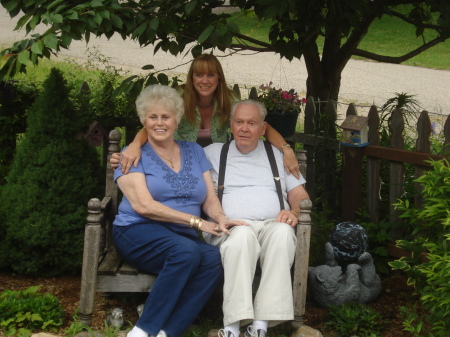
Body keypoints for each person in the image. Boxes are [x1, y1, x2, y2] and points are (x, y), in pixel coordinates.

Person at [113, 84, 247, 337]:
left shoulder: (194, 151)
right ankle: (142, 331)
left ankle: (167, 332)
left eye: (166, 116)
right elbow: (144, 206)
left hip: (179, 236)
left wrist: (219, 218)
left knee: (213, 259)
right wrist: (197, 223)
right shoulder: (132, 156)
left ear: (177, 120)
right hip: (137, 231)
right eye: (152, 117)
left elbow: (209, 198)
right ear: (144, 120)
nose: (159, 123)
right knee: (185, 252)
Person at [202, 99, 310, 337]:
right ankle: (232, 327)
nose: (244, 128)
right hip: (232, 227)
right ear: (230, 125)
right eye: (239, 122)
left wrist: (293, 213)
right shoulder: (213, 153)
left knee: (283, 234)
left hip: (272, 224)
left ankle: (260, 326)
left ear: (263, 129)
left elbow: (300, 196)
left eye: (252, 123)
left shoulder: (278, 156)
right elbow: (196, 187)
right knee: (242, 238)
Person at [114, 53, 300, 179]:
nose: (204, 81)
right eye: (199, 75)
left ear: (219, 78)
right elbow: (155, 125)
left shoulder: (230, 99)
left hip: (216, 162)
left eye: (210, 75)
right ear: (192, 78)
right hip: (179, 159)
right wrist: (135, 145)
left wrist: (287, 149)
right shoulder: (178, 96)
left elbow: (260, 127)